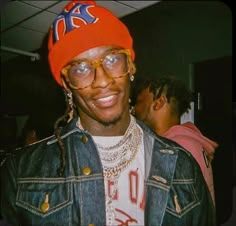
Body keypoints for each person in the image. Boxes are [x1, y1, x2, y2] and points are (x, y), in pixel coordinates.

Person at [0, 1, 215, 225]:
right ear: (66, 83)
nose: (102, 80)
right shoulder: (20, 173)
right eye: (81, 68)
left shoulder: (182, 166)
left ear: (130, 66)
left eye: (112, 59)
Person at [133, 75, 218, 206]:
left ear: (158, 103)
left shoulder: (179, 148)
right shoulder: (183, 142)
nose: (134, 109)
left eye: (138, 102)